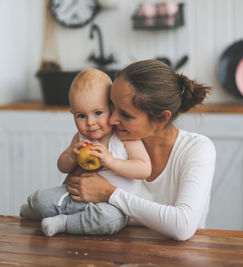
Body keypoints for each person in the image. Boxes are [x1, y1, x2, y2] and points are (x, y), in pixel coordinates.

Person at [65, 59, 216, 241]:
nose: (111, 120)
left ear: (161, 118)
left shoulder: (196, 149)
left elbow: (182, 225)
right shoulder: (109, 142)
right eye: (111, 106)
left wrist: (109, 194)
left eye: (126, 114)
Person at [20, 68, 151, 236]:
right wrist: (71, 155)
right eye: (81, 116)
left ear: (113, 107)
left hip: (112, 206)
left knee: (108, 220)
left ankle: (64, 223)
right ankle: (36, 208)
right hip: (76, 197)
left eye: (97, 113)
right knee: (41, 199)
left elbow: (144, 169)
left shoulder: (124, 137)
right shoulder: (80, 138)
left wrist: (112, 161)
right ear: (72, 113)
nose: (90, 123)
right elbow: (62, 166)